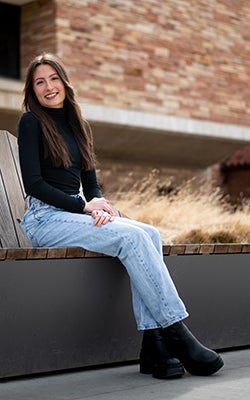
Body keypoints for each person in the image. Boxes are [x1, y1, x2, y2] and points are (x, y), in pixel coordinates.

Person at [18, 52, 224, 380]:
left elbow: (90, 182)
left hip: (76, 215)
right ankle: (177, 334)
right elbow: (34, 184)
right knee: (130, 237)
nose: (48, 87)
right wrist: (85, 207)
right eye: (40, 82)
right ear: (33, 90)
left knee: (150, 233)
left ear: (64, 83)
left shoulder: (79, 125)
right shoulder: (31, 122)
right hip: (46, 219)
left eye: (53, 79)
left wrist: (99, 202)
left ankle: (154, 346)